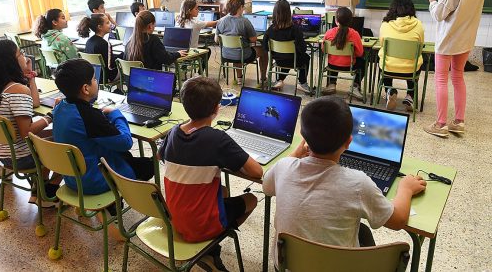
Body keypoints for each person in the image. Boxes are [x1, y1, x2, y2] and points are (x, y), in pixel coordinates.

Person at [263, 96, 427, 263]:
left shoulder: (283, 166)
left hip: (288, 264)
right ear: (349, 142)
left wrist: (295, 155)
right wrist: (406, 188)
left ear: (303, 137)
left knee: (362, 231)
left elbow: (266, 186)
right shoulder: (359, 184)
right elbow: (398, 221)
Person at [159, 76, 263, 271]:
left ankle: (209, 244)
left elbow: (160, 155)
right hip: (198, 226)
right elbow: (257, 172)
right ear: (217, 109)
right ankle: (211, 245)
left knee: (222, 189)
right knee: (252, 199)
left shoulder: (174, 131)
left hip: (173, 218)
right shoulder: (217, 139)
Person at [52, 58, 154, 238]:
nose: (96, 82)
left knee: (119, 155)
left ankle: (96, 208)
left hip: (72, 179)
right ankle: (110, 209)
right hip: (95, 182)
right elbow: (125, 141)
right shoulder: (89, 117)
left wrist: (98, 114)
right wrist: (116, 113)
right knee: (148, 166)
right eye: (94, 79)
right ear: (85, 88)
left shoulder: (60, 107)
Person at [0, 38, 60, 206]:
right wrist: (52, 115)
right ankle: (48, 192)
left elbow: (35, 103)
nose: (26, 57)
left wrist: (30, 77)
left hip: (4, 155)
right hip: (23, 156)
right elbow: (27, 131)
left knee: (54, 134)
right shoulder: (17, 90)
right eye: (21, 54)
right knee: (68, 144)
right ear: (10, 62)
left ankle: (37, 191)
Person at [424, 0, 487, 137]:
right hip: (466, 39)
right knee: (458, 77)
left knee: (441, 79)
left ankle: (440, 124)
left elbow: (438, 14)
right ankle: (459, 121)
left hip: (448, 39)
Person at [379, 0, 424, 112]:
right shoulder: (418, 25)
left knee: (382, 62)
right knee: (414, 61)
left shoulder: (385, 24)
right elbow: (420, 46)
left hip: (388, 67)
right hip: (410, 70)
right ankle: (410, 95)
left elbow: (382, 43)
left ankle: (390, 90)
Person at [215, 0, 268, 86]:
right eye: (243, 6)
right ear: (240, 7)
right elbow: (253, 39)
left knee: (236, 50)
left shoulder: (221, 21)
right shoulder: (245, 21)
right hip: (243, 55)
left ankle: (239, 79)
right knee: (263, 51)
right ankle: (263, 78)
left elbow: (216, 40)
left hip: (226, 55)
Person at [262, 0, 311, 94]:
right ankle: (302, 82)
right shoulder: (296, 29)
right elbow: (303, 49)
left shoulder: (270, 30)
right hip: (294, 60)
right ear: (289, 13)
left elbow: (265, 47)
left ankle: (279, 80)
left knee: (286, 58)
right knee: (305, 57)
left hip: (278, 60)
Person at [322, 7, 365, 100]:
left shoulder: (329, 33)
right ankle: (355, 86)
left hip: (332, 65)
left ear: (336, 20)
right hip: (350, 65)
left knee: (333, 58)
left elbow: (323, 50)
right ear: (350, 21)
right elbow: (360, 53)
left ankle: (331, 83)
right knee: (363, 62)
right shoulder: (354, 34)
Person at [77, 13, 119, 82]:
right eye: (107, 23)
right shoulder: (104, 44)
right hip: (106, 78)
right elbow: (111, 66)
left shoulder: (89, 42)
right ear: (100, 27)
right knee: (127, 70)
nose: (110, 25)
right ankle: (120, 91)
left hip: (95, 77)